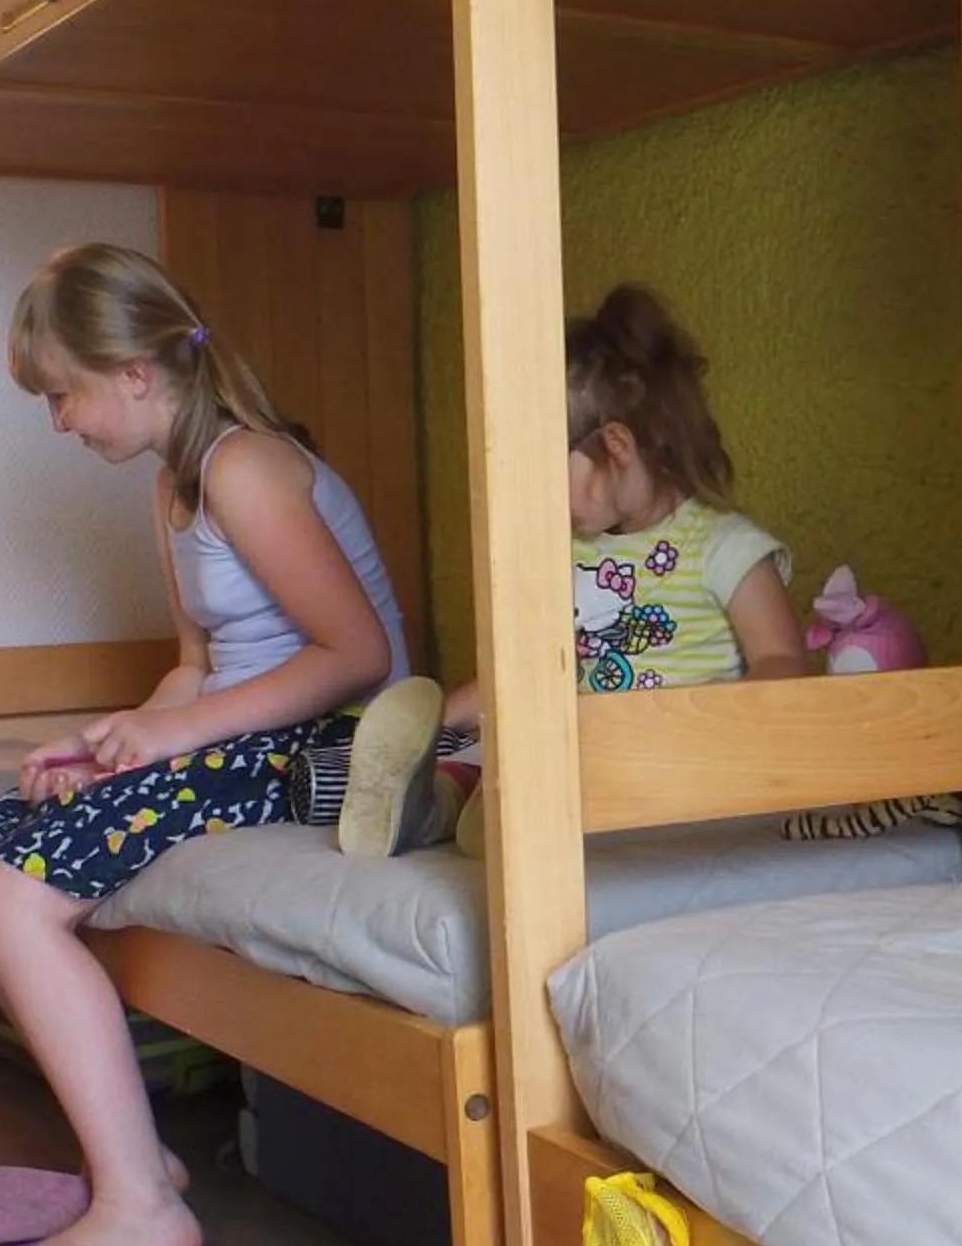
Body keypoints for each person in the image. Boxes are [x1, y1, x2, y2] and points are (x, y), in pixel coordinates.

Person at [0, 242, 409, 1246]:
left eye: (62, 394)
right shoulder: (175, 483)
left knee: (14, 893)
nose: (59, 421)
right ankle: (134, 1161)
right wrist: (120, 737)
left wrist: (178, 733)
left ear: (137, 375)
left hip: (328, 742)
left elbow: (357, 654)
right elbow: (197, 663)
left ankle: (141, 1206)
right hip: (243, 733)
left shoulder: (247, 464)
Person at [335, 283, 806, 859]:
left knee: (538, 769)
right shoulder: (568, 549)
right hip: (572, 753)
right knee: (492, 754)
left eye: (545, 472)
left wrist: (715, 712)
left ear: (615, 446)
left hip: (675, 761)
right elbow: (529, 669)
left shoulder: (725, 547)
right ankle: (431, 801)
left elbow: (783, 662)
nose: (541, 498)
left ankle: (488, 808)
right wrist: (435, 719)